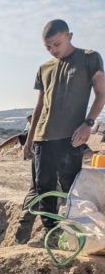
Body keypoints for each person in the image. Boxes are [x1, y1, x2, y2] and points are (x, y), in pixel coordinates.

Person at [19, 19, 105, 247]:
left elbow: (101, 94)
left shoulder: (89, 57)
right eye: (48, 47)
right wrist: (29, 140)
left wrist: (88, 123)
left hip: (70, 138)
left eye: (57, 44)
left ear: (70, 36)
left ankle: (73, 234)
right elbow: (39, 107)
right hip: (42, 139)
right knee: (43, 188)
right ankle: (51, 235)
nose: (53, 50)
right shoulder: (44, 68)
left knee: (70, 189)